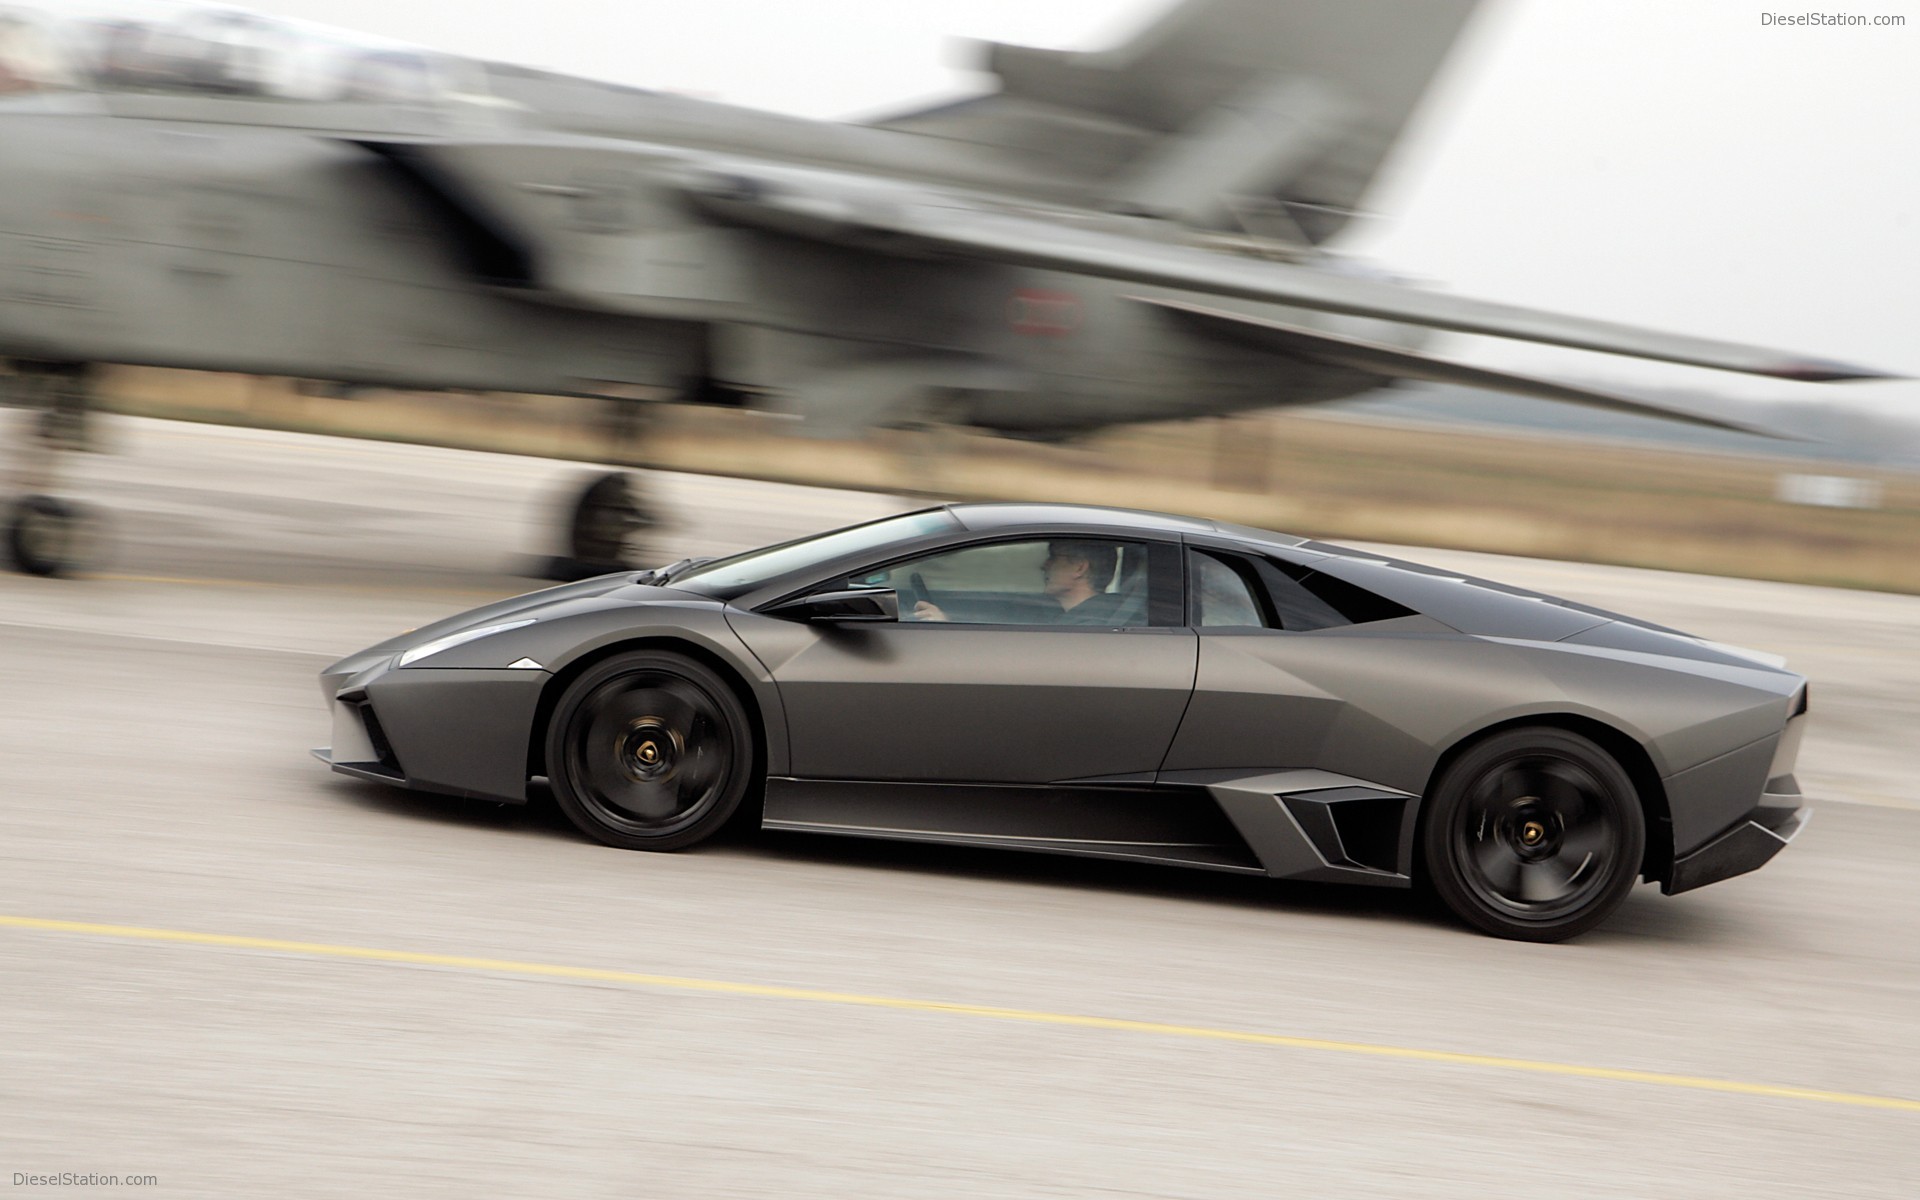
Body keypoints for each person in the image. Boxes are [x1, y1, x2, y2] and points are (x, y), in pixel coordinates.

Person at [912, 540, 1130, 625]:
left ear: (1079, 568)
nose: (1044, 565)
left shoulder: (1087, 627)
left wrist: (948, 630)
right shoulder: (1078, 618)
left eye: (1054, 557)